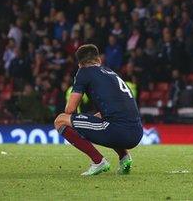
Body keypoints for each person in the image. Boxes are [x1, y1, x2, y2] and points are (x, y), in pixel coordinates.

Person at [53, 44, 143, 176]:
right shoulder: (110, 72)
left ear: (80, 64)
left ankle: (98, 161)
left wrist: (78, 125)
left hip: (118, 132)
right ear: (99, 60)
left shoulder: (83, 72)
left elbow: (70, 109)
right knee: (101, 117)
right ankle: (124, 157)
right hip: (137, 132)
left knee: (60, 120)